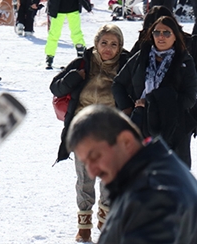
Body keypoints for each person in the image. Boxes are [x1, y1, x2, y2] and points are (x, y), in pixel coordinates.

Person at [66, 104, 197, 244]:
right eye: (85, 163)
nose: (92, 172)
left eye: (95, 156)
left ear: (126, 141)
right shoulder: (149, 176)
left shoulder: (152, 195)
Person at [50, 25, 129, 242]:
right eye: (104, 43)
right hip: (83, 130)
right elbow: (55, 88)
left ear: (120, 47)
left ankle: (105, 219)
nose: (108, 48)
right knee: (85, 178)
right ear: (96, 43)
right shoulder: (82, 63)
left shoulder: (126, 66)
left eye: (114, 44)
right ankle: (83, 226)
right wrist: (75, 77)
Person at [113, 15, 197, 167]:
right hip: (141, 124)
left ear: (176, 36)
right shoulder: (141, 57)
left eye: (167, 33)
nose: (161, 37)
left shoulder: (185, 61)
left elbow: (190, 98)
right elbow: (118, 83)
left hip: (174, 127)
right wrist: (128, 108)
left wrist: (155, 102)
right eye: (157, 32)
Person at [33, 0, 93, 69]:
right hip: (58, 10)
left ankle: (81, 52)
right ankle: (49, 56)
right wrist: (35, 1)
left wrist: (87, 6)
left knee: (76, 32)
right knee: (54, 34)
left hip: (73, 8)